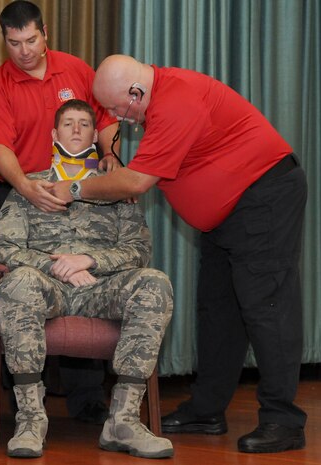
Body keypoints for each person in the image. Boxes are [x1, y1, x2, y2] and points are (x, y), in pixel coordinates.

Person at [50, 54, 308, 454]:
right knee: (217, 309)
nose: (118, 117)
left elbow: (136, 181)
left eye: (118, 108)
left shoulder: (175, 102)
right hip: (228, 213)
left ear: (135, 92)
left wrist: (75, 188)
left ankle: (283, 420)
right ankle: (207, 409)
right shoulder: (159, 96)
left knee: (267, 306)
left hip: (263, 197)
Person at [0, 99, 174, 459]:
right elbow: (1, 248)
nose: (76, 130)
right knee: (17, 283)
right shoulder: (30, 188)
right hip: (47, 286)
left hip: (100, 286)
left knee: (154, 282)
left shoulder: (117, 187)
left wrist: (89, 259)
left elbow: (138, 250)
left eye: (84, 124)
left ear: (94, 134)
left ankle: (123, 420)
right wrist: (53, 266)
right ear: (54, 134)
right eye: (68, 124)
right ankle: (30, 420)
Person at [0, 0, 120, 424]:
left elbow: (106, 117)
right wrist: (25, 187)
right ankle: (22, 395)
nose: (23, 50)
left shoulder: (76, 70)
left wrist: (111, 156)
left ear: (46, 34)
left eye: (31, 40)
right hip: (21, 194)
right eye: (14, 42)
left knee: (84, 279)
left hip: (81, 192)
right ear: (4, 39)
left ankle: (87, 397)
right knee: (25, 280)